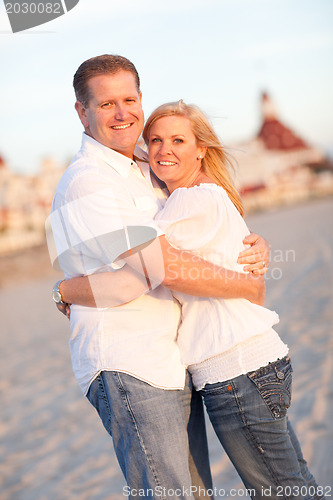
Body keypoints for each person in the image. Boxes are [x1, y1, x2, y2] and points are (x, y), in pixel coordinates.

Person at [60, 99, 325, 500]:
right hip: (250, 366)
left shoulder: (190, 202)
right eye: (157, 141)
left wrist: (65, 290)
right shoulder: (199, 196)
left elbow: (141, 276)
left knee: (282, 490)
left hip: (236, 371)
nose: (165, 151)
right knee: (292, 483)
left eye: (178, 140)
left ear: (201, 148)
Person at [48, 54, 271, 500]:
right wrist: (247, 286)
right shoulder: (89, 181)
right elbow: (159, 267)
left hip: (171, 362)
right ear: (82, 112)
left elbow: (207, 208)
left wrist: (250, 245)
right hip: (129, 364)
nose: (122, 112)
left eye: (129, 99)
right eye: (106, 103)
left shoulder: (144, 167)